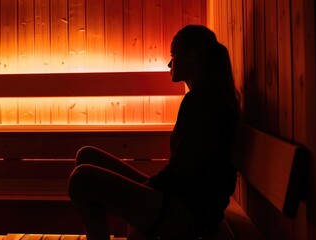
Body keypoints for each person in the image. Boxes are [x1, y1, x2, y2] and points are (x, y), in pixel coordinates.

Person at [68, 24, 241, 240]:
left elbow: (184, 171)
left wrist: (143, 189)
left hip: (191, 214)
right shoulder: (205, 97)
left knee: (81, 180)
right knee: (87, 155)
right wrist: (142, 189)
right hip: (183, 198)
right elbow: (186, 170)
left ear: (192, 56)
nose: (169, 63)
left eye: (174, 55)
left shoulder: (202, 101)